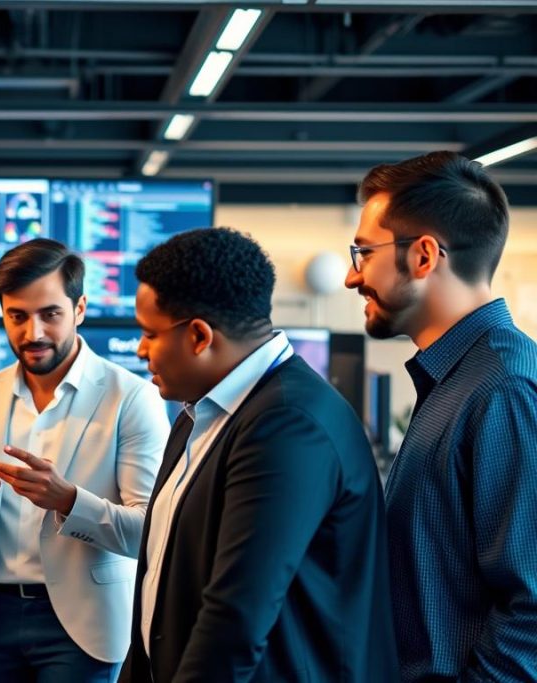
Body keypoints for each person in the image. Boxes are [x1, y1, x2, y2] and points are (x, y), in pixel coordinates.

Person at [120, 227, 398, 683]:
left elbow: (236, 616)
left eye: (149, 334)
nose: (141, 350)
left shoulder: (288, 424)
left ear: (198, 336)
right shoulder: (199, 413)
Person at [345, 151, 537, 682]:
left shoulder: (504, 388)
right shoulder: (456, 377)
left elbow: (532, 609)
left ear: (424, 256)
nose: (349, 276)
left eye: (363, 253)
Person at [0, 238, 169, 682]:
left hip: (85, 623)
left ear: (79, 309)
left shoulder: (131, 398)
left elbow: (153, 534)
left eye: (50, 314)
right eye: (17, 316)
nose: (33, 333)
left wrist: (68, 501)